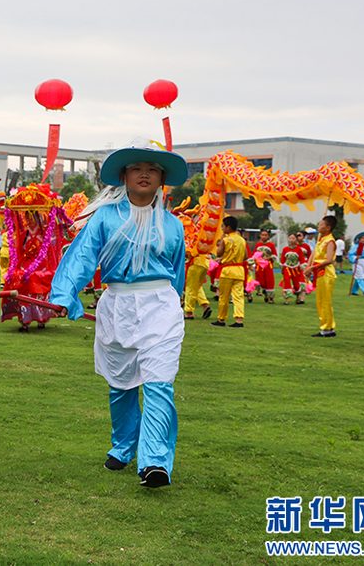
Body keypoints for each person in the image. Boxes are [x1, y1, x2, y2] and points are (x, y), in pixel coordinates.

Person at [50, 142, 187, 489]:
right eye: (137, 168)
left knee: (158, 383)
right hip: (118, 306)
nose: (144, 174)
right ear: (124, 176)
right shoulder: (105, 218)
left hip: (161, 307)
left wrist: (176, 302)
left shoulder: (173, 225)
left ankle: (154, 462)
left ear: (162, 180)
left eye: (152, 169)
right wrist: (66, 293)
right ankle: (124, 446)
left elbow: (177, 272)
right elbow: (82, 257)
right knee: (121, 384)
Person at [303, 216, 337, 337]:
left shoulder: (330, 241)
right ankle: (327, 327)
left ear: (328, 227)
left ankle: (327, 328)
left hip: (325, 272)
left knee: (325, 301)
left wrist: (313, 267)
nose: (319, 226)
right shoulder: (321, 240)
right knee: (320, 301)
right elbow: (314, 254)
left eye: (321, 224)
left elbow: (329, 260)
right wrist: (308, 266)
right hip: (319, 271)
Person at [211, 216, 247, 328]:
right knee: (238, 296)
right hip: (239, 270)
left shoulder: (225, 240)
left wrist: (222, 242)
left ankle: (221, 319)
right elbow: (245, 256)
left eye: (223, 226)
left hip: (227, 270)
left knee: (224, 296)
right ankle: (239, 320)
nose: (222, 228)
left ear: (228, 227)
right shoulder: (242, 240)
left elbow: (218, 253)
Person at [279, 233, 307, 304]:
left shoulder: (299, 249)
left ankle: (298, 297)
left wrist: (303, 268)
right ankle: (286, 300)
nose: (291, 240)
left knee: (296, 284)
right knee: (287, 283)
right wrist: (282, 268)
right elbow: (283, 259)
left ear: (296, 240)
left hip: (296, 269)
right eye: (290, 238)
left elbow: (302, 259)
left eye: (293, 238)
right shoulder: (285, 249)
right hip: (287, 268)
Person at [183, 253, 212, 320]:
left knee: (190, 287)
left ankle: (189, 312)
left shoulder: (191, 241)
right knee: (197, 286)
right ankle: (205, 305)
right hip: (205, 261)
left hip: (195, 262)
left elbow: (188, 251)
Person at [252, 228, 277, 303]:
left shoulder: (271, 245)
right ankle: (265, 293)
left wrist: (267, 258)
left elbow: (274, 255)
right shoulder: (258, 245)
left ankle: (271, 298)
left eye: (265, 235)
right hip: (259, 265)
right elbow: (254, 254)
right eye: (262, 235)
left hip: (268, 265)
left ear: (268, 236)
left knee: (269, 280)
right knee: (261, 281)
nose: (264, 236)